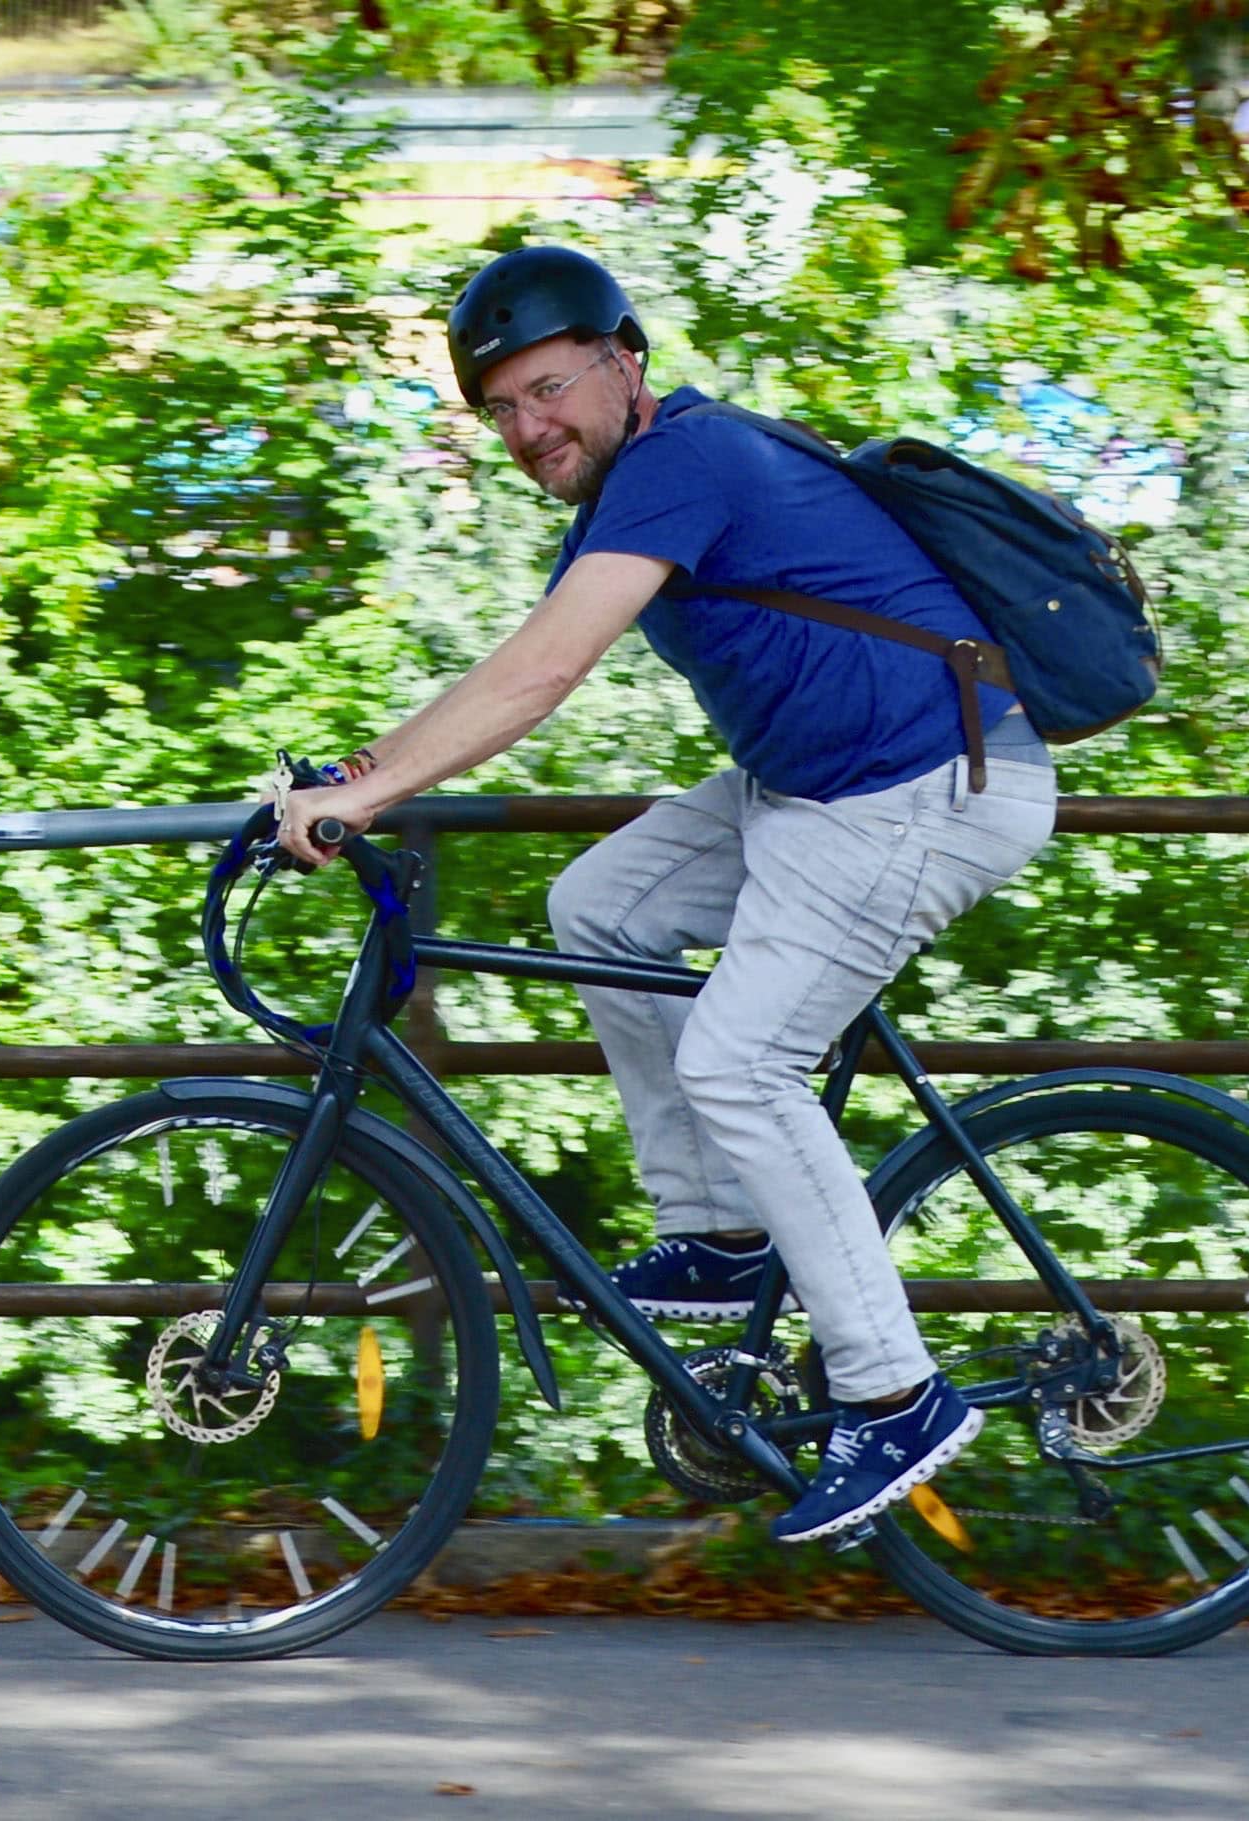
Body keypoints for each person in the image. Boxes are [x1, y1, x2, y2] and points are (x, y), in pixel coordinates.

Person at [269, 246, 1056, 1546]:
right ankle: (720, 1231)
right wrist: (364, 773)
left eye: (549, 388)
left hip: (924, 792)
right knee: (603, 907)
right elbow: (510, 666)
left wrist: (376, 790)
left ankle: (895, 1394)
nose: (529, 428)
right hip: (811, 791)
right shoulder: (628, 487)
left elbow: (546, 670)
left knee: (743, 1060)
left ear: (626, 360)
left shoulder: (684, 460)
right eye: (501, 410)